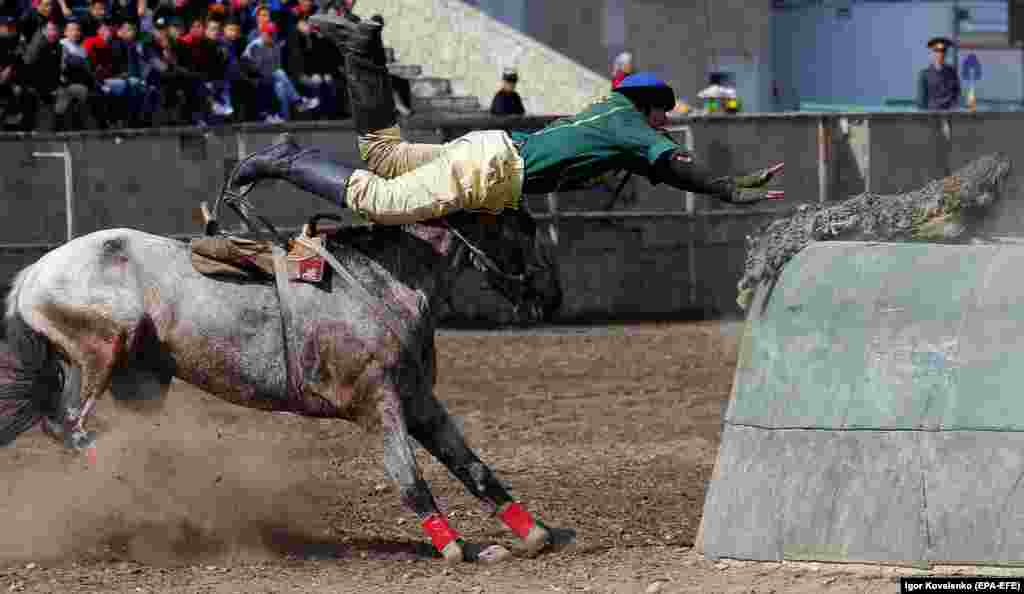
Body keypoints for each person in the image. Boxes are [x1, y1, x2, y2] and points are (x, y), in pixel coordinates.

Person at [223, 12, 784, 225]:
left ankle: (361, 49)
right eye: (663, 109)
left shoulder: (613, 112)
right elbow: (672, 166)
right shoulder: (631, 123)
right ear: (647, 107)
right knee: (378, 199)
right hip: (491, 171)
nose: (667, 118)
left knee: (383, 158)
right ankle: (289, 160)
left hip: (489, 151)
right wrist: (728, 189)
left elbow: (658, 167)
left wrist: (714, 183)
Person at [918, 36, 960, 111]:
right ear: (932, 53)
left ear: (946, 53)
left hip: (950, 115)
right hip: (931, 115)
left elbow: (956, 95)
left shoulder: (952, 73)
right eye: (936, 50)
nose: (940, 53)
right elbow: (921, 102)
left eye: (943, 50)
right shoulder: (924, 75)